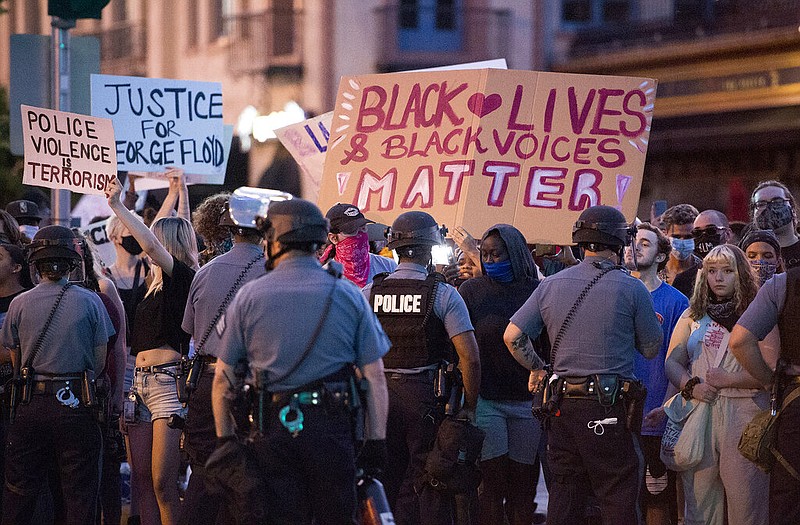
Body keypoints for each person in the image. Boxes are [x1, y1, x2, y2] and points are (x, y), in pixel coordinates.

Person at [211, 198, 390, 524]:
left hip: (272, 431)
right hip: (332, 431)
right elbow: (375, 377)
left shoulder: (249, 296)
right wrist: (376, 441)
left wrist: (225, 444)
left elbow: (223, 380)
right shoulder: (349, 294)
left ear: (275, 240)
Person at [504, 205, 662, 525]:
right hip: (608, 409)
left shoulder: (550, 284)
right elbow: (650, 348)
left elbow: (513, 336)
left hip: (561, 409)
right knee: (617, 494)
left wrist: (537, 367)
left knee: (565, 497)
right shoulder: (632, 288)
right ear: (619, 243)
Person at [362, 210, 481, 525]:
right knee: (425, 481)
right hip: (423, 399)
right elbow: (469, 356)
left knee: (380, 478)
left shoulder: (369, 292)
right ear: (431, 246)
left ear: (393, 247)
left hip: (376, 400)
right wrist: (468, 408)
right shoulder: (443, 294)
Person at [0, 225, 115, 524]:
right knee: (79, 495)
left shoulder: (19, 303)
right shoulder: (91, 301)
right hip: (76, 404)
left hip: (29, 405)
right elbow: (99, 362)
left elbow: (16, 358)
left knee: (19, 492)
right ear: (72, 263)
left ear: (34, 265)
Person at [106, 170, 198, 525]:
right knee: (142, 479)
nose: (143, 244)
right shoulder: (150, 286)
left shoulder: (183, 279)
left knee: (162, 482)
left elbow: (151, 244)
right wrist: (178, 190)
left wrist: (117, 206)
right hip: (138, 385)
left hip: (167, 386)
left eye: (152, 240)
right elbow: (154, 240)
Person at [665, 244, 775, 525]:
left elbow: (772, 373)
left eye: (727, 271)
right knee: (699, 507)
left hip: (745, 414)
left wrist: (731, 379)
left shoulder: (760, 311)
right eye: (712, 271)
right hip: (701, 412)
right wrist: (690, 386)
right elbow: (672, 362)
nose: (718, 277)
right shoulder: (693, 314)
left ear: (741, 273)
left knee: (746, 506)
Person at [180, 197, 266, 525]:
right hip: (248, 386)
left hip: (203, 382)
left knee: (203, 474)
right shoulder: (271, 272)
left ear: (228, 229)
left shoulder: (205, 272)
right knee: (247, 479)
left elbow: (189, 329)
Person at [457, 224, 542, 525]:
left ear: (516, 254)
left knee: (523, 488)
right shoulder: (471, 291)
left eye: (497, 254)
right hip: (487, 401)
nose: (490, 261)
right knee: (491, 486)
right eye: (485, 255)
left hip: (527, 403)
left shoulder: (537, 290)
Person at [624, 223, 689, 525]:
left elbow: (680, 360)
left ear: (662, 256)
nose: (635, 247)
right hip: (617, 414)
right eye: (633, 242)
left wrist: (666, 406)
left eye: (645, 244)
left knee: (657, 496)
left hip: (654, 416)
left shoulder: (676, 302)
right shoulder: (615, 292)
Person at [730, 252, 800, 525]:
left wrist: (770, 382)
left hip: (796, 406)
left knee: (790, 505)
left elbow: (739, 341)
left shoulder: (783, 284)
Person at [322, 203, 397, 287]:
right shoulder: (323, 278)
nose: (360, 235)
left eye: (363, 227)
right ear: (333, 238)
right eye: (351, 230)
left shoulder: (389, 266)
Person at [672, 209, 733, 298]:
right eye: (697, 233)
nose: (704, 236)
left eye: (711, 231)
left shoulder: (742, 272)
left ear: (727, 234)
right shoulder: (683, 281)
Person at [750, 180, 800, 269]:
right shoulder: (742, 255)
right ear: (753, 213)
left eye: (777, 201)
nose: (769, 207)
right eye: (761, 204)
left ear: (792, 208)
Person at [659, 204, 701, 285]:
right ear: (665, 234)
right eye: (676, 236)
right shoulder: (654, 269)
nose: (682, 242)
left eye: (688, 237)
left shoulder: (702, 270)